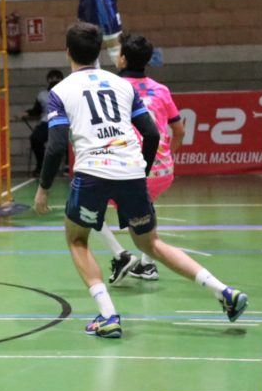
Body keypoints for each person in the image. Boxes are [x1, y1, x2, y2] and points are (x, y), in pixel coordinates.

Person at [33, 22, 247, 338]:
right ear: (99, 53)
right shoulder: (122, 86)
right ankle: (224, 292)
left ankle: (108, 315)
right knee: (151, 244)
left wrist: (43, 189)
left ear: (67, 53)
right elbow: (151, 133)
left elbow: (54, 147)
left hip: (92, 171)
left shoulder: (60, 92)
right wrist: (140, 171)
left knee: (77, 240)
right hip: (131, 171)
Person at [98, 33, 185, 284]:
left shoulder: (112, 88)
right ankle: (148, 265)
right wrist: (166, 156)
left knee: (85, 205)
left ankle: (120, 255)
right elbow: (179, 131)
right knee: (145, 204)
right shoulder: (161, 89)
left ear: (123, 59)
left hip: (129, 169)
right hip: (162, 171)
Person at [20, 69, 64, 176]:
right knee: (35, 138)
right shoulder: (42, 95)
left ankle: (67, 167)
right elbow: (37, 110)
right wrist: (27, 112)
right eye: (52, 78)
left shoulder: (68, 93)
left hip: (64, 123)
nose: (54, 80)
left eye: (57, 78)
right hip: (47, 123)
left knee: (70, 139)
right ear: (48, 80)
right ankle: (42, 166)